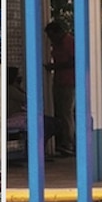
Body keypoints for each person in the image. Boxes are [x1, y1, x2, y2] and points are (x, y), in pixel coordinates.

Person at [43, 22, 76, 156]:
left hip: (69, 82)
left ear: (58, 33)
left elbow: (74, 61)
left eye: (51, 36)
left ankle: (68, 143)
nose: (51, 39)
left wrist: (55, 67)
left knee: (66, 113)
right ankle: (61, 141)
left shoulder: (69, 42)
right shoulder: (57, 44)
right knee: (59, 112)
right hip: (59, 81)